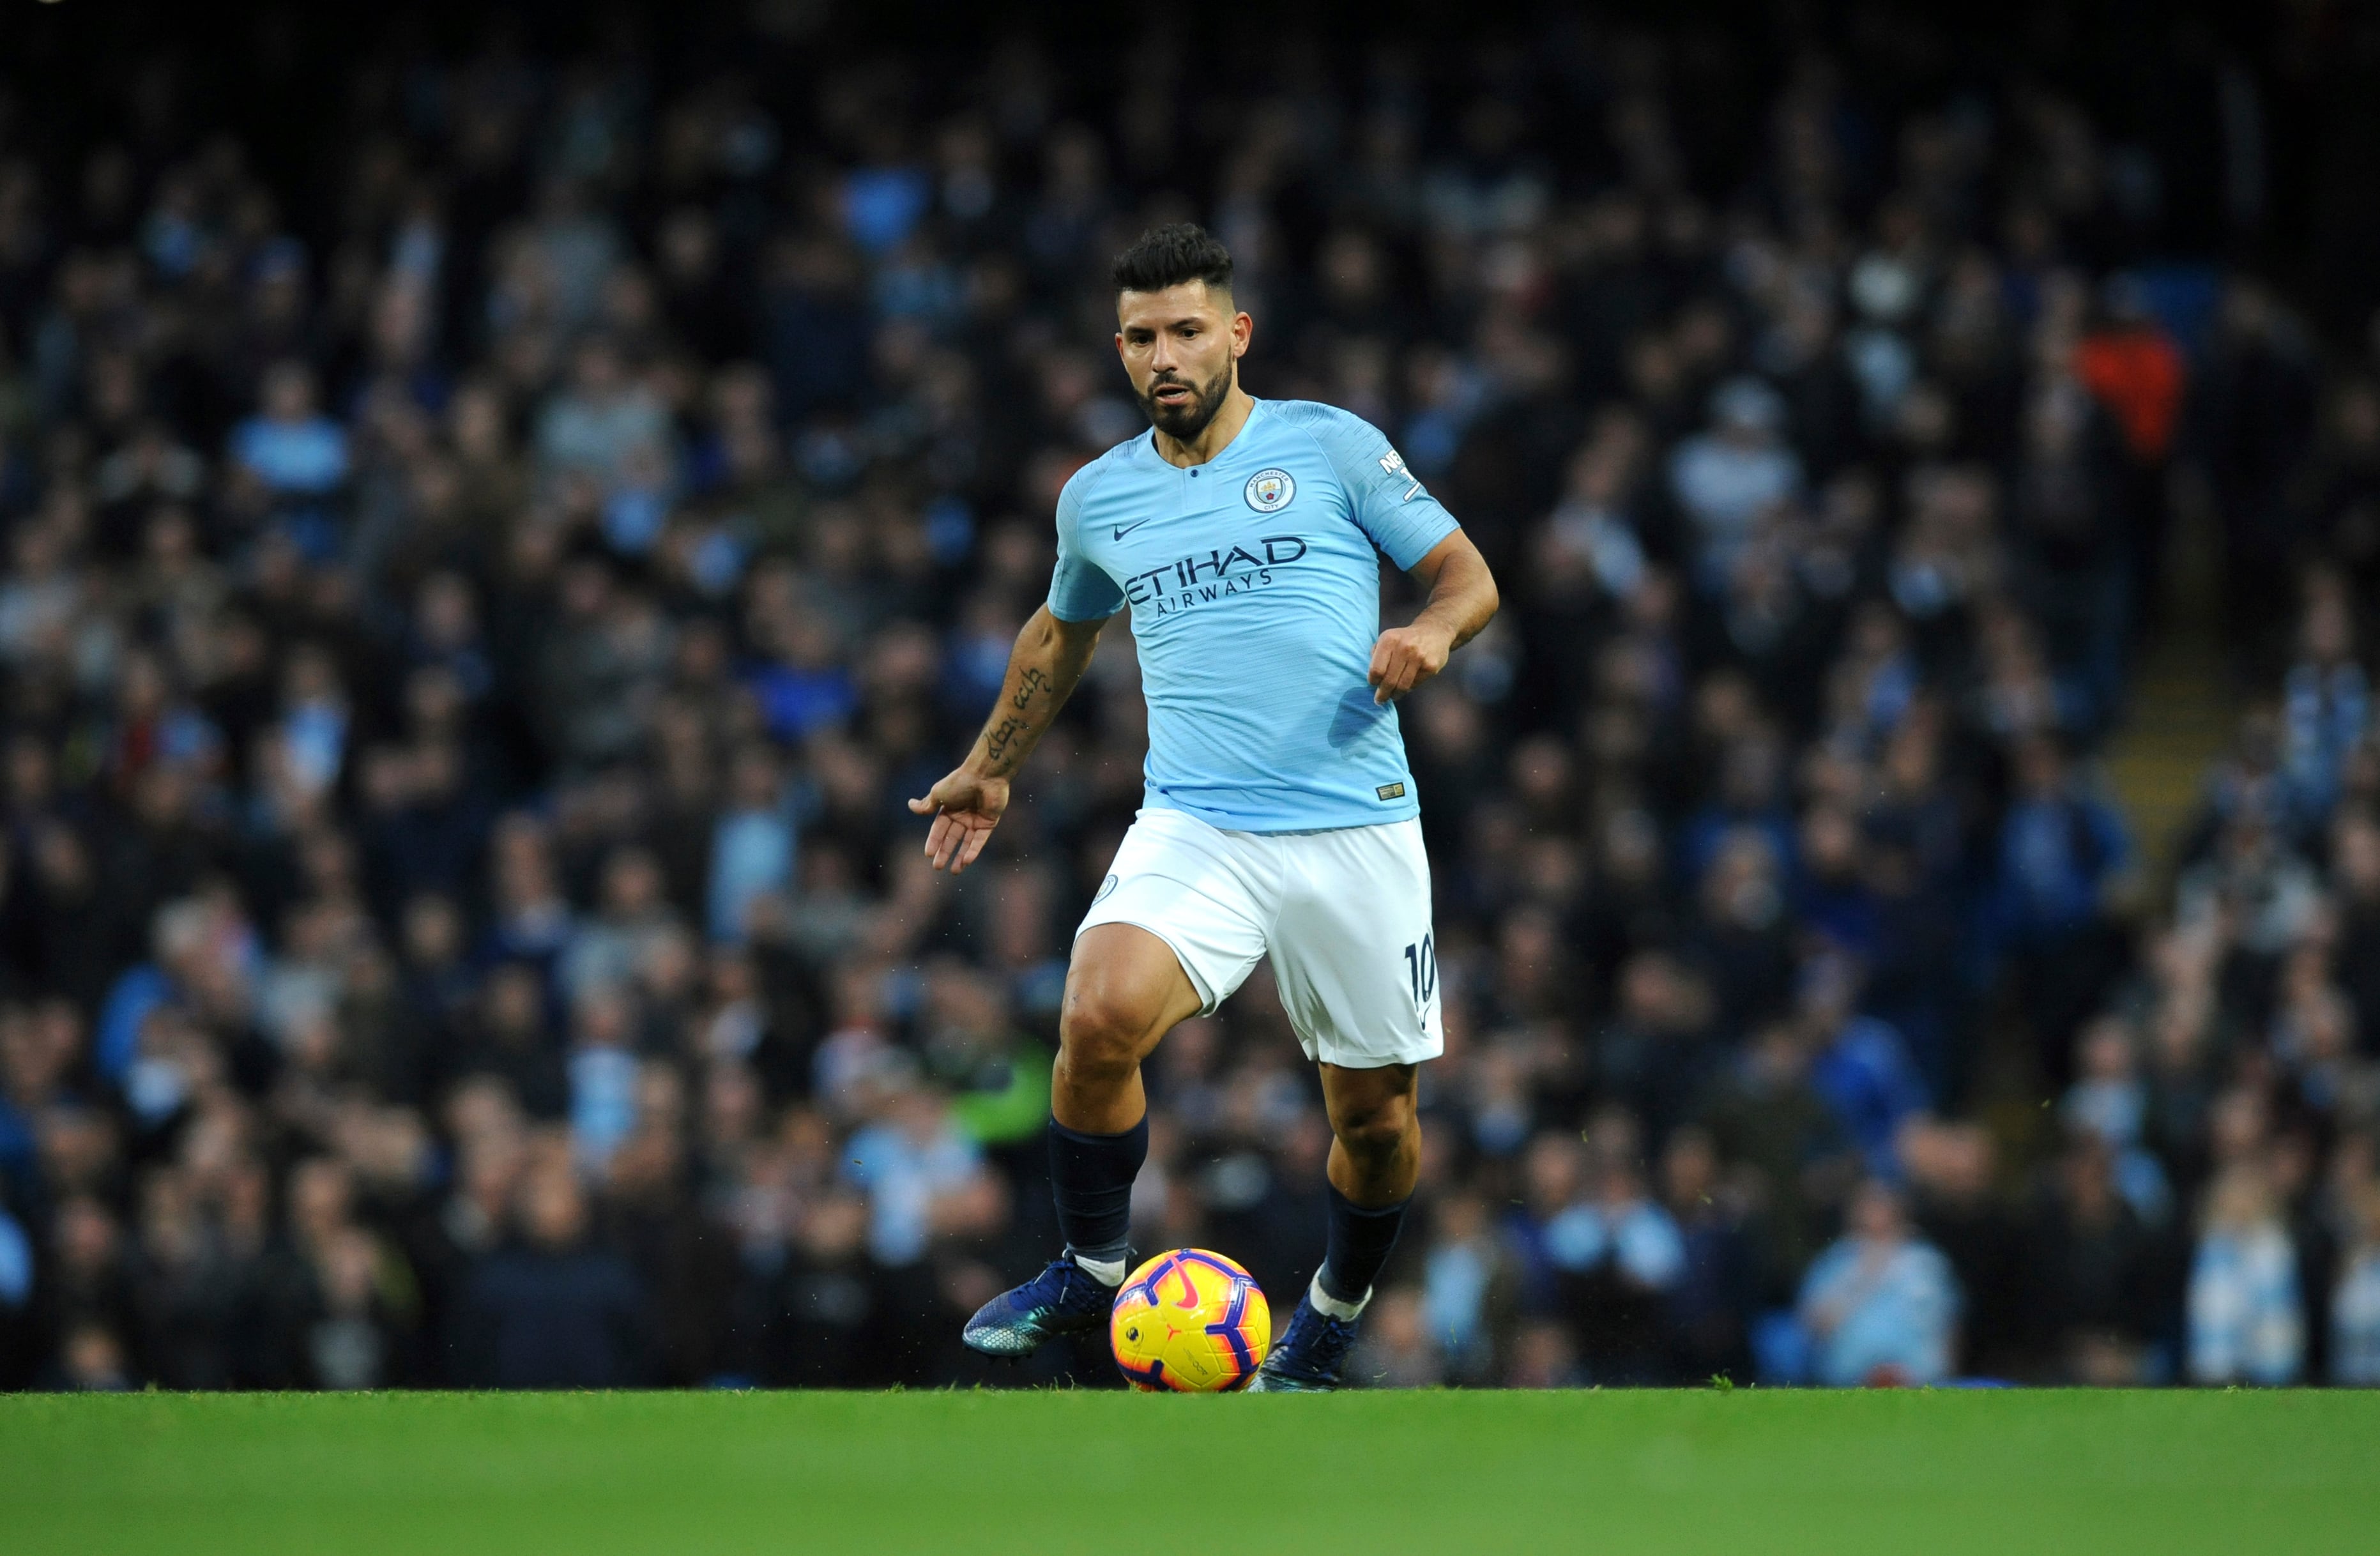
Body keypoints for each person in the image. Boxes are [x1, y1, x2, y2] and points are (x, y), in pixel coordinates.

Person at [907, 224, 1499, 1389]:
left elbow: (1465, 577)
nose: (1163, 357)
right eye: (1140, 338)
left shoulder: (1329, 445)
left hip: (1355, 825)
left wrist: (1430, 634)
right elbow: (1061, 632)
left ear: (1236, 334)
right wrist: (988, 763)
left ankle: (1331, 1314)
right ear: (1119, 350)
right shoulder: (1098, 497)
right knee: (1095, 1017)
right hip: (1198, 823)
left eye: (1185, 331)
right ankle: (1090, 1267)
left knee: (1375, 1122)